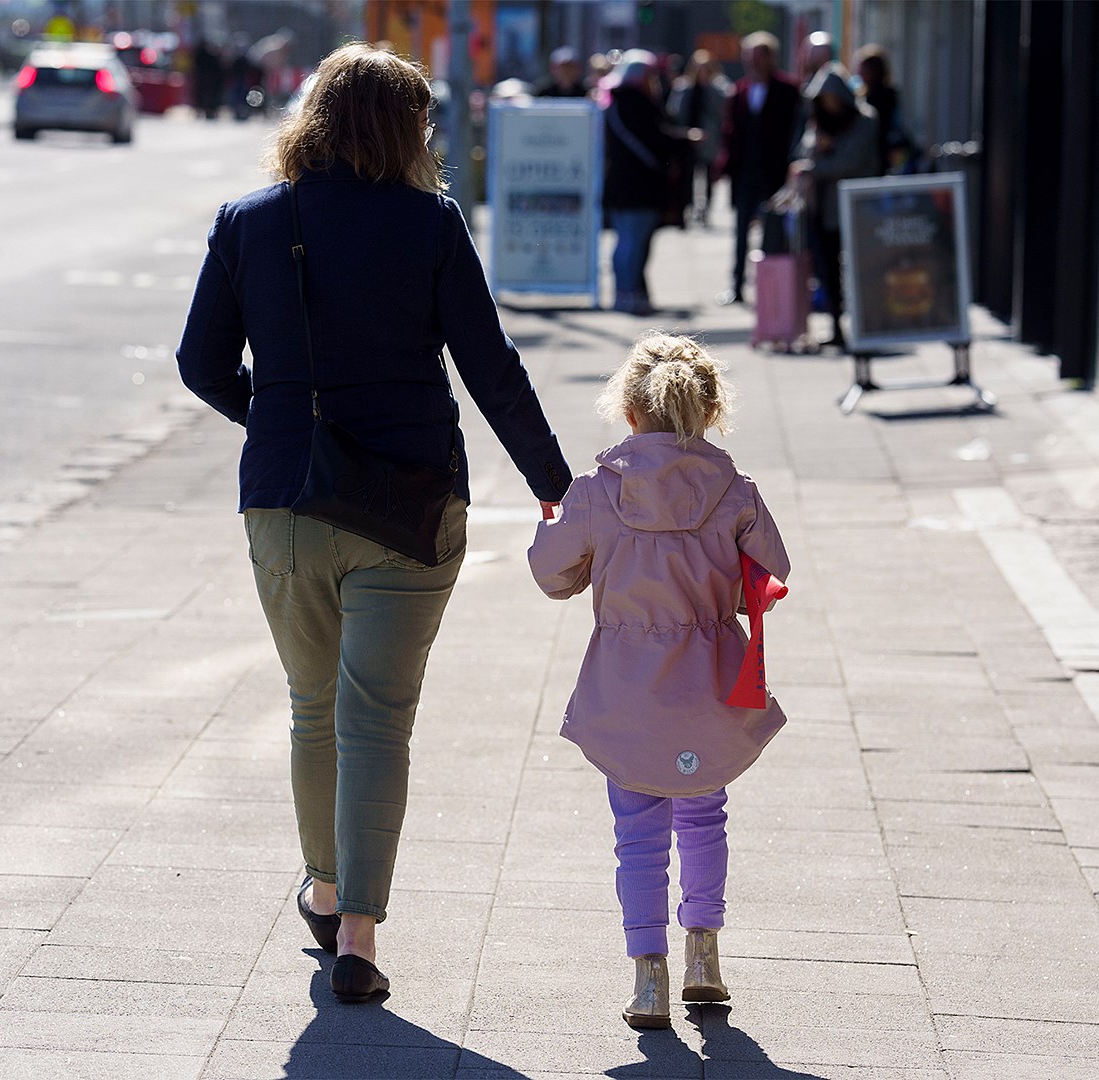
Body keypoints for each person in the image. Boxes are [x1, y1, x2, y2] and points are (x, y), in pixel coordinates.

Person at [176, 43, 573, 1003]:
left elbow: (198, 363)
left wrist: (276, 421)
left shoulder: (248, 223)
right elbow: (491, 366)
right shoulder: (429, 224)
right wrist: (554, 481)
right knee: (377, 720)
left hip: (284, 499)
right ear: (405, 131)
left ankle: (322, 884)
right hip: (411, 506)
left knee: (314, 707)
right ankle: (356, 934)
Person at [527, 333, 792, 1029]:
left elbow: (552, 575)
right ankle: (705, 954)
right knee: (704, 814)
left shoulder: (596, 494)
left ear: (630, 414)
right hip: (708, 683)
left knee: (637, 831)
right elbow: (767, 578)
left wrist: (559, 526)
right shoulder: (735, 493)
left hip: (626, 689)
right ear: (707, 414)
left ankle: (648, 977)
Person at [791, 64, 880, 350]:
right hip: (823, 208)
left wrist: (819, 162)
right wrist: (818, 150)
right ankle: (836, 326)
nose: (829, 105)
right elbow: (803, 151)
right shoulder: (818, 122)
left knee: (861, 269)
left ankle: (869, 326)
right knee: (828, 270)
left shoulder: (865, 119)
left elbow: (851, 161)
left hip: (856, 208)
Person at [602, 51, 699, 315]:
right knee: (633, 243)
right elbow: (655, 138)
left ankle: (625, 292)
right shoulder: (635, 102)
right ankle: (628, 293)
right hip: (638, 187)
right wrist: (685, 140)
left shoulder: (615, 103)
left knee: (626, 242)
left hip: (622, 186)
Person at [713, 32, 802, 305]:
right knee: (740, 231)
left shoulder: (788, 90)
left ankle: (770, 289)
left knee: (774, 234)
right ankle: (737, 285)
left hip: (775, 174)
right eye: (747, 57)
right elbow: (731, 132)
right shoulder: (739, 90)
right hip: (745, 173)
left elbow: (794, 132)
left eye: (756, 57)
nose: (751, 63)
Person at [666, 50, 729, 225]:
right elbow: (674, 112)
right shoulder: (684, 88)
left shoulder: (718, 88)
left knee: (708, 177)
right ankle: (686, 210)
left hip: (709, 140)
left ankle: (705, 210)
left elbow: (724, 111)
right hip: (687, 139)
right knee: (687, 178)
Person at [854, 44, 911, 174]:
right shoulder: (862, 96)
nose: (860, 73)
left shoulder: (885, 96)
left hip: (882, 152)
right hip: (869, 152)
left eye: (864, 69)